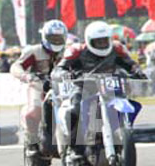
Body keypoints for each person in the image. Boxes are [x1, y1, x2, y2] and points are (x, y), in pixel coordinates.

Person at [53, 21, 146, 159]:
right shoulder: (77, 50)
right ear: (89, 41)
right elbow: (59, 69)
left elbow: (130, 64)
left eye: (105, 41)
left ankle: (123, 130)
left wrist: (137, 71)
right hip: (84, 86)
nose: (102, 44)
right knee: (74, 109)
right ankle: (74, 148)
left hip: (110, 86)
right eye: (98, 42)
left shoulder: (117, 48)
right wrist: (64, 74)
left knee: (127, 103)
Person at [10, 19, 68, 154]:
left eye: (59, 38)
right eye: (53, 38)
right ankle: (33, 142)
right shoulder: (34, 51)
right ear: (45, 37)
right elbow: (16, 66)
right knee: (33, 113)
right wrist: (27, 76)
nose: (56, 41)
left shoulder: (68, 52)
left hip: (63, 86)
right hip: (39, 86)